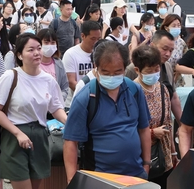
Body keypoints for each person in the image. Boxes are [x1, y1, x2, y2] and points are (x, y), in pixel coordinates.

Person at [0, 33, 67, 189]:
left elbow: (56, 108)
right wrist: (17, 133)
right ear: (20, 55)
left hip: (39, 137)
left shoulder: (48, 80)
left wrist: (70, 123)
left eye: (38, 48)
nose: (37, 53)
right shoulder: (10, 77)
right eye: (30, 49)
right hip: (15, 138)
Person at [63, 40, 150, 181]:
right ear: (96, 67)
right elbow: (70, 142)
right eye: (105, 72)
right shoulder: (86, 97)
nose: (111, 77)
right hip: (100, 178)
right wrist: (72, 182)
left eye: (117, 72)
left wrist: (146, 164)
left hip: (136, 174)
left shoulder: (134, 90)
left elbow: (143, 128)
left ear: (125, 68)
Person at [131, 44, 176, 188]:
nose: (155, 74)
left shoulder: (162, 89)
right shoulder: (131, 91)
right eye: (149, 71)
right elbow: (127, 128)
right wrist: (151, 133)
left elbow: (168, 122)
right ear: (137, 70)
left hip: (163, 158)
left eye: (157, 69)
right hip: (139, 158)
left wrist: (173, 153)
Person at [62, 19, 103, 89]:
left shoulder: (102, 53)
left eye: (98, 39)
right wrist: (89, 93)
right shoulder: (70, 54)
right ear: (83, 36)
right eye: (93, 38)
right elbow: (71, 82)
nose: (96, 42)